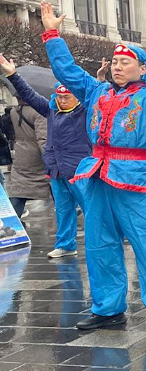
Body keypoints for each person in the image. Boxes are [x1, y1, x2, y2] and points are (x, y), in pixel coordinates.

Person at [40, 1, 146, 335]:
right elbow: (68, 72)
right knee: (99, 244)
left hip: (135, 176)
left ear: (141, 69)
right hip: (98, 175)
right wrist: (53, 36)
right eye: (114, 62)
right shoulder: (95, 91)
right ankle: (108, 308)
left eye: (125, 62)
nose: (117, 66)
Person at [1, 57, 91, 258]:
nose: (62, 100)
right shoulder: (51, 110)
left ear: (76, 97)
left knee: (91, 209)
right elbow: (29, 95)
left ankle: (102, 242)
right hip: (57, 169)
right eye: (60, 97)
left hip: (79, 171)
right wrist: (13, 75)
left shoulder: (84, 112)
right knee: (63, 209)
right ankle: (66, 244)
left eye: (67, 97)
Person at [6, 99, 48, 217]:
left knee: (19, 188)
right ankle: (71, 212)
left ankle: (12, 219)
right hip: (36, 156)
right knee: (55, 186)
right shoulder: (39, 112)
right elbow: (43, 139)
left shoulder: (14, 111)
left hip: (20, 151)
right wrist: (51, 159)